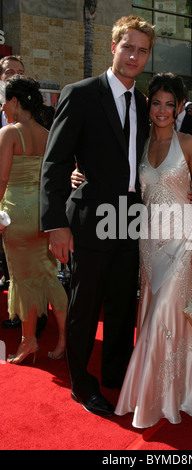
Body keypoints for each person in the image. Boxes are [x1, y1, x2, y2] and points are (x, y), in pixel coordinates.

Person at [40, 15, 156, 417]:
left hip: (129, 217)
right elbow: (54, 162)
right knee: (85, 306)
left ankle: (115, 375)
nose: (134, 56)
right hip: (89, 218)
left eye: (142, 51)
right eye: (128, 47)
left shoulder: (144, 104)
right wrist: (55, 222)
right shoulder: (82, 93)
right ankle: (81, 383)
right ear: (114, 47)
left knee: (124, 304)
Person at [115, 72, 192, 428]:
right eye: (157, 103)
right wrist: (78, 176)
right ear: (150, 107)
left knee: (165, 315)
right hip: (149, 242)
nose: (163, 110)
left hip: (182, 241)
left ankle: (152, 397)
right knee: (155, 315)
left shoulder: (189, 142)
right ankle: (166, 393)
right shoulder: (140, 143)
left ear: (178, 108)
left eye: (169, 104)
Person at [0, 75, 68, 364]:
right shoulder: (47, 132)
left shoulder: (9, 134)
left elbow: (1, 179)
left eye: (4, 100)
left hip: (15, 214)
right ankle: (65, 337)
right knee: (46, 277)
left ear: (15, 101)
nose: (2, 107)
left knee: (22, 279)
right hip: (43, 214)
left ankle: (29, 341)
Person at [0, 56, 25, 294]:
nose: (15, 75)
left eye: (19, 71)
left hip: (21, 194)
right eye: (9, 72)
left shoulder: (40, 114)